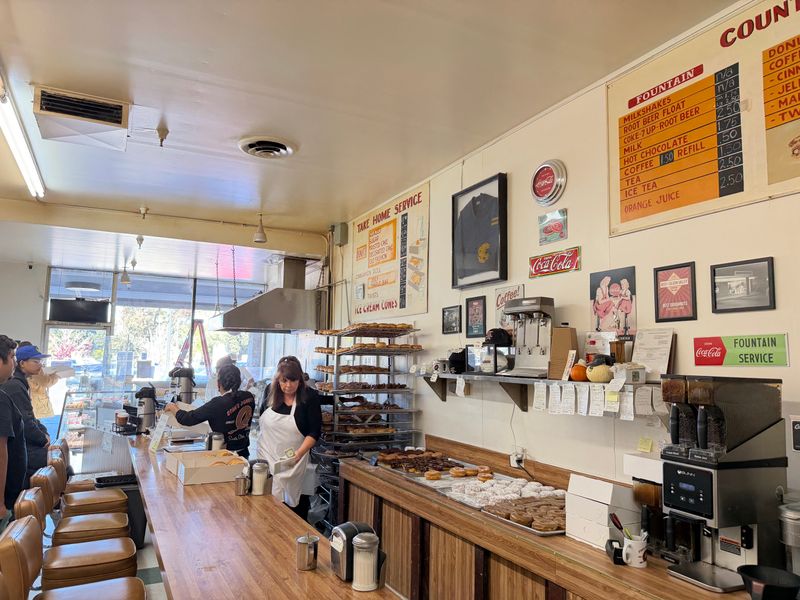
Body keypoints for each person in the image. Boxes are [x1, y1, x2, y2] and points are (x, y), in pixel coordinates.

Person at [257, 358, 321, 519]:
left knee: (294, 510)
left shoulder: (310, 397)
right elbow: (262, 420)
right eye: (284, 381)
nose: (288, 385)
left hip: (295, 462)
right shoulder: (269, 391)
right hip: (267, 458)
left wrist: (298, 454)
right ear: (278, 379)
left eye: (293, 381)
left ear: (300, 380)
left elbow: (314, 432)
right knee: (266, 509)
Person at [165, 363, 255, 458]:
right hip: (244, 455)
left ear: (218, 383)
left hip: (223, 456)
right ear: (239, 381)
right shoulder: (249, 396)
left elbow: (187, 419)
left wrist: (172, 407)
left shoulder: (217, 403)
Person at [1, 345, 50, 484]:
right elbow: (26, 422)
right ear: (22, 363)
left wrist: (45, 434)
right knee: (56, 462)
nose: (40, 365)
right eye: (36, 361)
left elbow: (31, 417)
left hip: (23, 446)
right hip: (21, 449)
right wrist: (43, 439)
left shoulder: (21, 384)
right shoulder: (15, 386)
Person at [0, 336, 23, 524]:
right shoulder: (1, 399)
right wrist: (0, 503)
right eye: (12, 356)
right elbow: (0, 452)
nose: (15, 362)